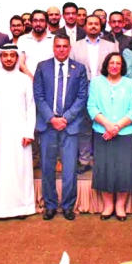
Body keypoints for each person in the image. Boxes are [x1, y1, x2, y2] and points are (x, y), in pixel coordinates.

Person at [33, 35, 89, 221]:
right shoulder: (42, 67)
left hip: (69, 125)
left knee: (70, 168)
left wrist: (66, 118)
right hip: (48, 125)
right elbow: (38, 96)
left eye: (65, 46)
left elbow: (82, 97)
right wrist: (51, 118)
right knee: (47, 167)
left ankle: (67, 205)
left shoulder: (79, 68)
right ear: (53, 47)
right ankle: (50, 205)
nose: (62, 49)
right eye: (58, 46)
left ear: (70, 48)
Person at [0, 45, 36, 219]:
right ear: (0, 58)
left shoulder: (25, 80)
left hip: (20, 134)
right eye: (5, 55)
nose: (9, 59)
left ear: (17, 58)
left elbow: (31, 107)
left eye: (12, 55)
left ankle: (21, 209)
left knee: (19, 171)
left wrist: (29, 132)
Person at [87, 52, 132, 221]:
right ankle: (108, 205)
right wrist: (108, 126)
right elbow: (91, 107)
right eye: (112, 63)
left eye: (118, 63)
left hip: (125, 133)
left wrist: (116, 127)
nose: (115, 66)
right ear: (106, 65)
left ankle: (120, 206)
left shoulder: (130, 84)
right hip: (102, 132)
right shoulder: (96, 82)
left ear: (122, 66)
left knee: (124, 169)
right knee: (104, 169)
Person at [71, 15, 118, 171]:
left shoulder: (111, 46)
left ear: (100, 26)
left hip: (105, 91)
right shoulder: (75, 46)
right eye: (90, 24)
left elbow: (116, 69)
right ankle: (84, 160)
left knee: (104, 125)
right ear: (84, 26)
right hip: (81, 91)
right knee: (84, 127)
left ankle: (103, 160)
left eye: (96, 24)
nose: (93, 26)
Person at [17, 10, 55, 79]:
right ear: (31, 22)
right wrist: (32, 79)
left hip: (50, 81)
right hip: (28, 80)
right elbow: (21, 63)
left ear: (46, 23)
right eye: (35, 20)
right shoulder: (23, 39)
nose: (38, 23)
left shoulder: (54, 39)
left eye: (42, 21)